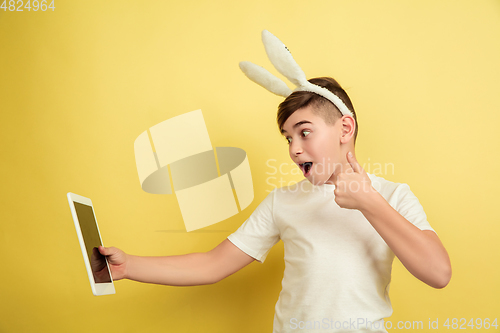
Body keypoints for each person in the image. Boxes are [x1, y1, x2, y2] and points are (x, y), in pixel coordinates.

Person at [99, 77, 451, 333]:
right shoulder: (284, 201)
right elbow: (212, 265)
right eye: (287, 138)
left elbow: (438, 273)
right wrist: (129, 267)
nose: (294, 149)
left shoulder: (392, 195)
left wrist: (369, 202)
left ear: (345, 128)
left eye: (304, 132)